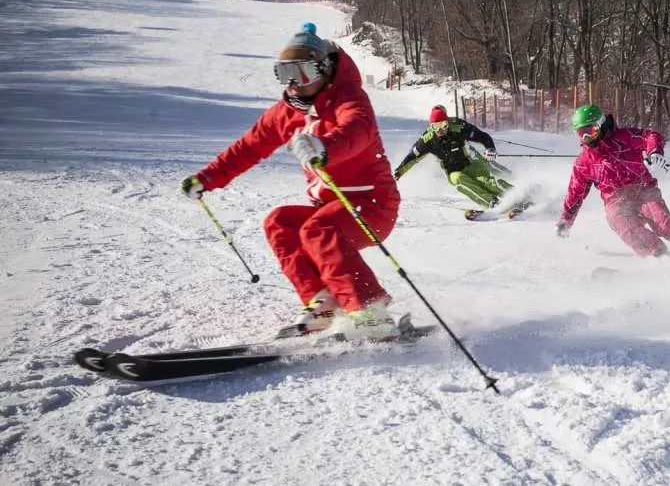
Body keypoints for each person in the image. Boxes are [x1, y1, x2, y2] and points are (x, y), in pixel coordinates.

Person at [181, 24, 400, 340]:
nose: (294, 83)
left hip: (371, 205)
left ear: (323, 69)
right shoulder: (284, 113)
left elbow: (358, 130)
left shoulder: (348, 97)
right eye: (285, 74)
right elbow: (248, 147)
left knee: (317, 229)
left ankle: (370, 310)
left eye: (304, 72)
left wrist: (326, 147)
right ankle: (324, 299)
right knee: (280, 223)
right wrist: (207, 178)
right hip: (330, 207)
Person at [555, 104, 670, 257]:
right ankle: (657, 254)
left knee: (664, 225)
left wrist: (653, 151)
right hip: (615, 201)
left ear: (601, 125)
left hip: (643, 190)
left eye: (591, 131)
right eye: (582, 134)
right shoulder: (584, 162)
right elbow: (575, 193)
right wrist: (566, 220)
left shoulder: (624, 138)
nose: (587, 138)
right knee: (623, 224)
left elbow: (650, 136)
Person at [393, 105, 516, 213]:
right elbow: (411, 157)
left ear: (448, 122)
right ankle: (491, 202)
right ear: (431, 127)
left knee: (489, 183)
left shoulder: (457, 126)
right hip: (452, 170)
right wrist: (398, 172)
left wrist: (490, 148)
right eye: (436, 127)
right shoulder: (427, 140)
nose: (440, 130)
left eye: (443, 125)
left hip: (470, 163)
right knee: (459, 179)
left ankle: (516, 195)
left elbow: (480, 135)